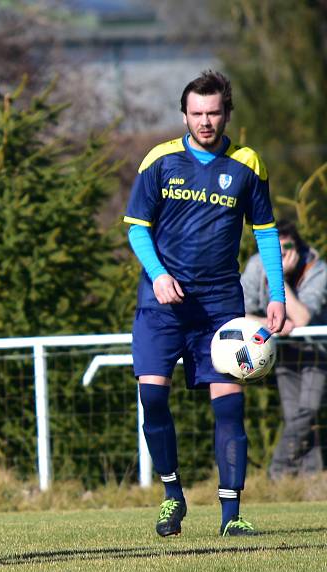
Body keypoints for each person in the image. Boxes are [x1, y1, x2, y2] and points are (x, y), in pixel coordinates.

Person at [123, 70, 286, 538]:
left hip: (220, 308)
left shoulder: (247, 164)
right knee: (152, 396)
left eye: (214, 113)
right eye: (197, 114)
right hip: (163, 304)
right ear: (184, 115)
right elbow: (137, 227)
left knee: (229, 408)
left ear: (227, 113)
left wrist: (276, 295)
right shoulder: (160, 160)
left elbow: (267, 233)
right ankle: (172, 497)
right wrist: (158, 276)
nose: (206, 121)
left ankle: (232, 515)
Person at [242, 220, 327, 478]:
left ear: (298, 249)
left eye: (285, 250)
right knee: (296, 417)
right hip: (283, 350)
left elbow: (301, 318)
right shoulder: (257, 265)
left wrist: (277, 281)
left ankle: (277, 471)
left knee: (309, 409)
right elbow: (238, 311)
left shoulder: (317, 269)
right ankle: (310, 478)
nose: (278, 256)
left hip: (316, 351)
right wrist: (272, 324)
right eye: (273, 251)